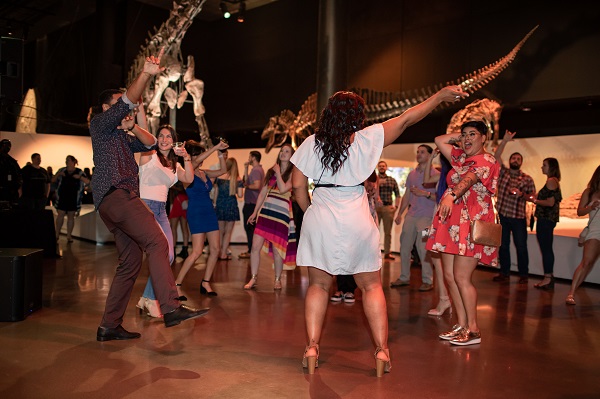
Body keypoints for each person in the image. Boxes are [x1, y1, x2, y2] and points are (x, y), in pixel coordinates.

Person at [291, 85, 466, 376]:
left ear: (328, 115)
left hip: (320, 216)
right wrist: (438, 97)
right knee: (371, 286)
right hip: (357, 217)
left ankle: (311, 347)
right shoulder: (367, 138)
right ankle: (382, 351)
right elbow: (408, 118)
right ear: (358, 117)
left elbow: (297, 187)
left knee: (319, 286)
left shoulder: (311, 143)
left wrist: (312, 209)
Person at [89, 48, 208, 341]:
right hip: (119, 196)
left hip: (112, 202)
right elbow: (128, 99)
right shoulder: (100, 124)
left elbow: (151, 142)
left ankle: (109, 325)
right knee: (157, 241)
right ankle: (169, 307)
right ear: (107, 108)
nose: (124, 109)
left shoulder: (120, 136)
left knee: (130, 263)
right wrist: (146, 74)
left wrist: (133, 126)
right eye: (118, 105)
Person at [426, 120, 500, 346]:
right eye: (464, 135)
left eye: (473, 135)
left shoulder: (486, 160)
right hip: (452, 224)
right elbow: (439, 139)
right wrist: (463, 138)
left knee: (461, 277)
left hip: (470, 223)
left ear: (484, 138)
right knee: (449, 276)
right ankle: (461, 325)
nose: (467, 139)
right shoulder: (460, 157)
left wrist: (450, 195)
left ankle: (474, 329)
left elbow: (469, 180)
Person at [136, 125, 194, 318]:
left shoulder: (174, 165)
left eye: (168, 136)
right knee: (157, 254)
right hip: (146, 208)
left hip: (161, 210)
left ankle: (146, 297)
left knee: (168, 256)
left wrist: (186, 157)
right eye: (160, 136)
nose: (163, 139)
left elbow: (189, 178)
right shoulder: (149, 155)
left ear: (174, 140)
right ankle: (152, 301)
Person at [174, 139, 229, 298]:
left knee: (215, 249)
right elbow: (195, 161)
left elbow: (223, 170)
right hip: (196, 212)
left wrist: (220, 155)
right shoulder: (186, 172)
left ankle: (206, 282)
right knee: (197, 251)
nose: (200, 157)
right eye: (197, 154)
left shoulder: (204, 172)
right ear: (190, 156)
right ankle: (177, 284)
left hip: (209, 211)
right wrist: (216, 147)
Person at [245, 144, 297, 290]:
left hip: (281, 215)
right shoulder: (271, 171)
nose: (283, 153)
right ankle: (253, 278)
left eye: (287, 151)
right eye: (282, 151)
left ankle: (277, 279)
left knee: (277, 250)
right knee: (255, 246)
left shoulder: (294, 172)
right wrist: (255, 212)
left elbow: (283, 189)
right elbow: (262, 193)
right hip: (266, 213)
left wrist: (278, 172)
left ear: (292, 156)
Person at [391, 145, 438, 291]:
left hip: (427, 217)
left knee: (423, 248)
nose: (418, 154)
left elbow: (440, 198)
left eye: (422, 152)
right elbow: (407, 195)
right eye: (418, 152)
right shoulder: (412, 174)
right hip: (411, 216)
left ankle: (427, 280)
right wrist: (400, 213)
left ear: (431, 155)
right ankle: (404, 277)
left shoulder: (435, 174)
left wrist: (425, 193)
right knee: (405, 247)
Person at [492, 130, 536, 284]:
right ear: (510, 160)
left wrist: (522, 195)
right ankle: (504, 273)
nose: (515, 160)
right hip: (503, 216)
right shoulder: (503, 173)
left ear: (521, 162)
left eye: (518, 158)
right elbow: (496, 157)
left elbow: (533, 197)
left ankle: (524, 274)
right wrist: (504, 141)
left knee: (521, 247)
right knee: (503, 246)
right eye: (513, 158)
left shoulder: (527, 179)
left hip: (518, 218)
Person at [331, 172, 379, 304]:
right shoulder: (352, 171)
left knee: (356, 255)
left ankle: (350, 289)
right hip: (349, 215)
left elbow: (376, 199)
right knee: (342, 252)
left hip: (366, 216)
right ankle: (341, 288)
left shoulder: (373, 177)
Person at [421, 149, 452, 316]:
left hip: (447, 221)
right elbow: (426, 180)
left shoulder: (453, 176)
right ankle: (445, 299)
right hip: (438, 219)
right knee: (438, 262)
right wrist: (430, 160)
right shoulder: (442, 176)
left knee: (447, 266)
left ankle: (447, 299)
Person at [565, 165, 600, 305]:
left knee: (589, 263)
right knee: (586, 262)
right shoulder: (589, 192)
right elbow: (579, 212)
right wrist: (590, 207)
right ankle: (571, 293)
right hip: (595, 230)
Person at [526, 158, 562, 289]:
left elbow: (550, 202)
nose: (542, 167)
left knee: (546, 249)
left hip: (546, 219)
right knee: (546, 248)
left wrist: (535, 201)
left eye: (544, 165)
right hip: (547, 220)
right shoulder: (553, 181)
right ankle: (548, 277)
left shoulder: (551, 181)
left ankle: (547, 277)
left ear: (551, 167)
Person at [53, 155, 89, 242]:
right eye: (66, 160)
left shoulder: (79, 172)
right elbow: (53, 180)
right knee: (60, 215)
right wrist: (58, 175)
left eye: (68, 160)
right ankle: (57, 234)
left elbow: (87, 181)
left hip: (73, 198)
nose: (67, 162)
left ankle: (69, 236)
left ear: (73, 162)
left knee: (70, 216)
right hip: (62, 197)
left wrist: (79, 177)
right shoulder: (62, 170)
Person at [214, 156, 243, 260]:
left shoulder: (220, 177)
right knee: (228, 232)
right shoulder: (237, 179)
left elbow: (216, 192)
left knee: (220, 231)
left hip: (220, 204)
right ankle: (223, 254)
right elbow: (240, 195)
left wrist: (214, 204)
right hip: (231, 205)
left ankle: (218, 252)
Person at [239, 151, 265, 259]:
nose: (248, 158)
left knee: (249, 228)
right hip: (252, 202)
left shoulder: (256, 170)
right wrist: (245, 168)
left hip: (251, 203)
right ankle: (251, 250)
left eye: (250, 156)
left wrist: (246, 186)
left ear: (253, 158)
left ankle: (251, 251)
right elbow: (247, 180)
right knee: (250, 228)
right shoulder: (257, 170)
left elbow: (256, 185)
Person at [375, 160, 400, 260]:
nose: (381, 167)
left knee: (387, 232)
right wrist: (378, 183)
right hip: (375, 208)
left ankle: (387, 253)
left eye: (383, 166)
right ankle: (374, 253)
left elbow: (398, 194)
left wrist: (396, 207)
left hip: (388, 208)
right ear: (377, 168)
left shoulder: (392, 180)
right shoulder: (373, 179)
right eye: (380, 166)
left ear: (386, 168)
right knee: (374, 232)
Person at [169, 181, 191, 259]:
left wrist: (170, 186)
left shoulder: (176, 174)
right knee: (184, 227)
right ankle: (185, 250)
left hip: (176, 200)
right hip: (185, 199)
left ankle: (173, 251)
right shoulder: (186, 175)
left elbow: (179, 188)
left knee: (173, 228)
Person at [0, 138, 22, 207]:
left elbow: (18, 174)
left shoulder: (11, 161)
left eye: (9, 146)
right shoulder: (10, 161)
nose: (8, 148)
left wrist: (18, 185)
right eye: (6, 146)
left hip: (10, 189)